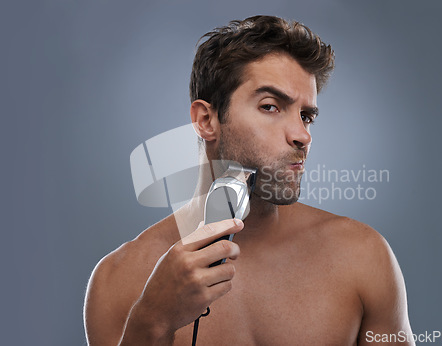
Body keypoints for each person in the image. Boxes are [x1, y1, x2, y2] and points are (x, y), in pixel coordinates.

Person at [84, 15, 414, 345]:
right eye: (271, 107)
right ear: (206, 120)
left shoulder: (362, 257)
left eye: (306, 116)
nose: (302, 136)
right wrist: (152, 319)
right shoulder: (121, 279)